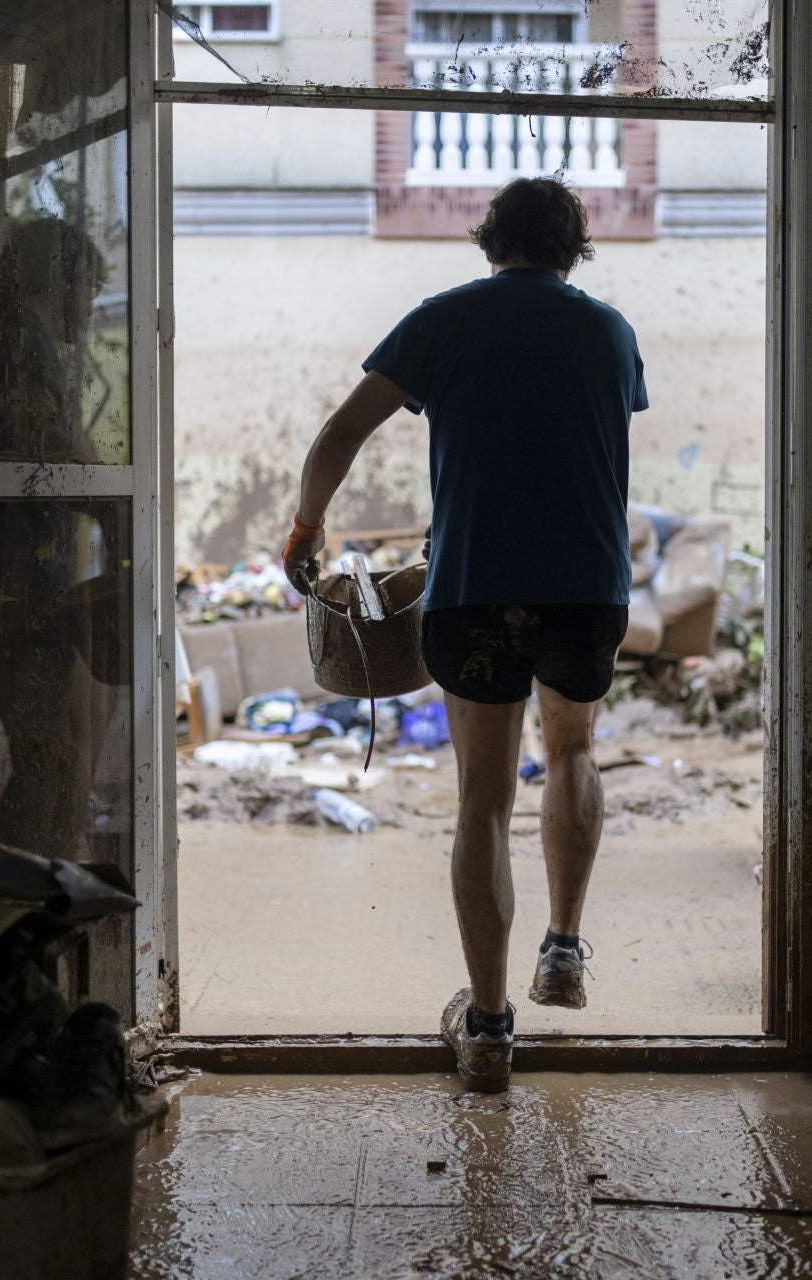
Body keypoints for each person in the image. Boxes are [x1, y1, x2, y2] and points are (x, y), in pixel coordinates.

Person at [282, 178, 648, 1092]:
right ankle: (563, 948)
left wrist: (305, 529)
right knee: (572, 754)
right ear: (575, 248)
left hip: (476, 587)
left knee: (484, 800)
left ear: (491, 241)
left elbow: (339, 435)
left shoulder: (442, 320)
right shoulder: (610, 332)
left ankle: (487, 1029)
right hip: (584, 592)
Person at [0, 215, 121, 859]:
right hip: (18, 583)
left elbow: (65, 445)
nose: (88, 312)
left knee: (55, 766)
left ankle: (16, 897)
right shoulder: (17, 338)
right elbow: (44, 441)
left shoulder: (29, 341)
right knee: (50, 767)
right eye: (86, 293)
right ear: (58, 282)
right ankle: (7, 902)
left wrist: (109, 490)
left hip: (34, 575)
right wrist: (111, 499)